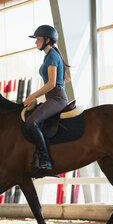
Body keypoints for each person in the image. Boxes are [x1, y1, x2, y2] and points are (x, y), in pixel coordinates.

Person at [23, 24, 69, 170]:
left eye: (38, 39)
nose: (36, 42)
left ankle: (46, 160)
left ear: (47, 40)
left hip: (57, 98)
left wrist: (32, 96)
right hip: (51, 98)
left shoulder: (52, 56)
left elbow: (51, 84)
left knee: (31, 121)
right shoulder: (49, 56)